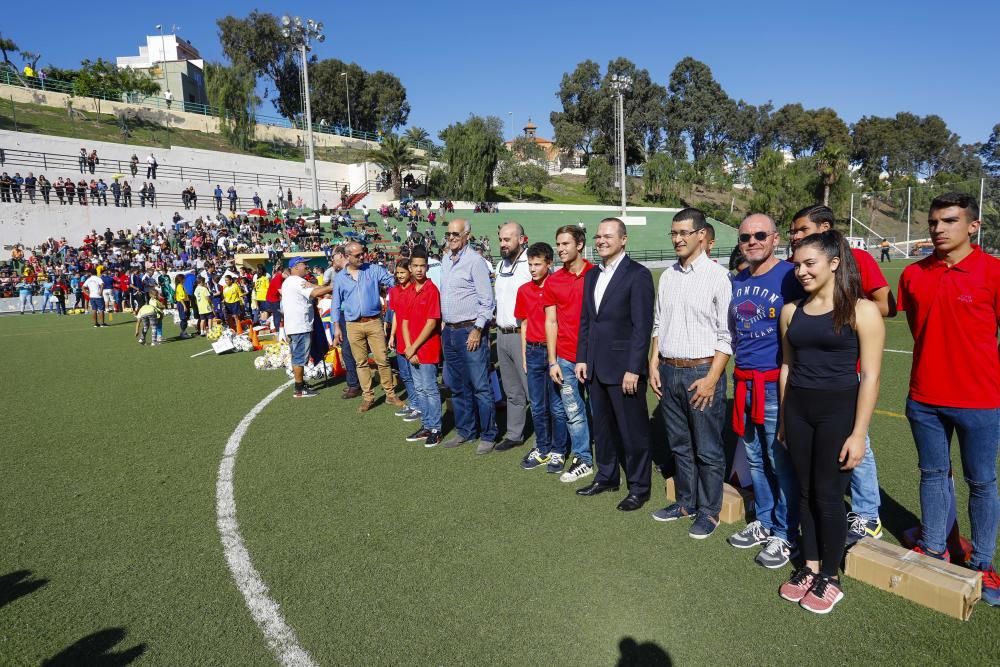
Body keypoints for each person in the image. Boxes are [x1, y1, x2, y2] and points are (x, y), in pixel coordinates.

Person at [897, 191, 1000, 606]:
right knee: (933, 475)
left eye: (950, 221)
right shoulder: (913, 275)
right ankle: (935, 547)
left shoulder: (993, 271)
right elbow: (912, 324)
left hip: (980, 401)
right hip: (923, 399)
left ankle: (982, 564)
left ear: (973, 226)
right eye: (934, 222)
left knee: (982, 482)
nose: (938, 229)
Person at [777, 229, 883, 614]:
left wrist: (859, 433)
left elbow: (870, 376)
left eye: (810, 263)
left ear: (834, 263)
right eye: (797, 263)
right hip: (798, 410)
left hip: (838, 411)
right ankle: (810, 566)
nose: (801, 271)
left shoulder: (862, 309)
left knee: (828, 494)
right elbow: (787, 367)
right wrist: (784, 421)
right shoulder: (791, 311)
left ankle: (831, 578)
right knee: (804, 492)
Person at [789, 205, 894, 543]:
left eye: (802, 230)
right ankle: (815, 547)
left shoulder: (858, 263)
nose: (796, 238)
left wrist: (846, 314)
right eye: (793, 233)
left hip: (845, 378)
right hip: (809, 386)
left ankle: (866, 514)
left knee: (854, 450)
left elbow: (884, 304)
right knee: (817, 478)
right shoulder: (800, 274)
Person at [648, 208, 732, 535]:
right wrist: (654, 362)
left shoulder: (718, 276)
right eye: (673, 233)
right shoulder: (667, 276)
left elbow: (727, 335)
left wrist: (712, 378)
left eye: (684, 232)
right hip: (669, 371)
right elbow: (659, 323)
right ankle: (685, 501)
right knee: (680, 444)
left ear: (701, 235)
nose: (678, 239)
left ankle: (709, 511)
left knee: (708, 447)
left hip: (702, 372)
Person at [726, 213, 803, 568]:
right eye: (745, 237)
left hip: (776, 384)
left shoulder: (790, 276)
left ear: (775, 238)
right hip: (744, 381)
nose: (752, 241)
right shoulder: (737, 280)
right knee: (756, 458)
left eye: (759, 235)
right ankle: (766, 520)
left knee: (780, 461)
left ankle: (786, 533)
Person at [575, 218, 654, 512]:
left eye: (608, 235)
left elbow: (641, 327)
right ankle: (607, 476)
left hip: (624, 370)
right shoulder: (592, 276)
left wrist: (634, 368)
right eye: (598, 236)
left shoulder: (638, 275)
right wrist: (582, 357)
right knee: (603, 430)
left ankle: (639, 487)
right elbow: (587, 321)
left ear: (624, 240)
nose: (601, 240)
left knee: (633, 432)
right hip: (595, 366)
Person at [438, 219, 498, 452]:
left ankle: (489, 434)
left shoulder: (475, 262)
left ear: (467, 236)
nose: (451, 237)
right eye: (449, 233)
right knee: (458, 385)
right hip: (450, 332)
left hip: (470, 330)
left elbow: (487, 301)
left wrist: (477, 329)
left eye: (456, 233)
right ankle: (465, 431)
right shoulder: (445, 259)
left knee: (480, 386)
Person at [543, 225, 596, 482]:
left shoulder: (596, 275)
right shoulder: (553, 280)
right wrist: (552, 361)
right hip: (564, 357)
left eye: (566, 244)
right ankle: (583, 458)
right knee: (573, 411)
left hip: (595, 357)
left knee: (599, 411)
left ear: (580, 244)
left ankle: (609, 456)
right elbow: (550, 322)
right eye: (558, 244)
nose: (561, 249)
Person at [330, 242, 404, 413]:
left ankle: (390, 395)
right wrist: (336, 327)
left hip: (374, 321)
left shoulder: (373, 269)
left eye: (363, 253)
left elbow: (391, 281)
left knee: (383, 360)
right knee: (361, 362)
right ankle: (368, 397)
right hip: (353, 325)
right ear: (347, 256)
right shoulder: (340, 277)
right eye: (358, 255)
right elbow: (335, 303)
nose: (362, 256)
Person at [515, 241, 569, 472]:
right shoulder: (524, 290)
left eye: (538, 264)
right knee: (537, 405)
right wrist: (525, 355)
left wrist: (556, 356)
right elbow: (524, 325)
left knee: (557, 406)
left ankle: (559, 451)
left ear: (550, 263)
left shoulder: (557, 287)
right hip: (533, 352)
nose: (533, 268)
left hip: (555, 352)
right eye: (530, 264)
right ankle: (543, 448)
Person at [493, 222, 532, 451]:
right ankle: (515, 434)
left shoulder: (531, 264)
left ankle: (545, 439)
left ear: (521, 239)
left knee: (532, 390)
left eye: (508, 239)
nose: (503, 244)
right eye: (501, 239)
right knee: (512, 391)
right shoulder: (500, 265)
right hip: (502, 334)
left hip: (523, 335)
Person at [282, 257, 334, 398]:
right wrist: (335, 286)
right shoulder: (296, 281)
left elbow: (314, 287)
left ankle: (301, 384)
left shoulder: (291, 281)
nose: (307, 267)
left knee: (298, 355)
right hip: (300, 325)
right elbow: (315, 293)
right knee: (300, 357)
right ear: (296, 266)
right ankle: (299, 388)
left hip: (295, 325)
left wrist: (326, 288)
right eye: (304, 264)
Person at [388, 259, 420, 421]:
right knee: (405, 375)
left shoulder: (416, 289)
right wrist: (392, 335)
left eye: (403, 272)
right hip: (400, 338)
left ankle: (420, 406)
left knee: (416, 375)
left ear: (410, 272)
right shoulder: (393, 291)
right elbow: (395, 315)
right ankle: (414, 404)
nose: (400, 275)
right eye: (398, 273)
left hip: (412, 337)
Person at [174, 273, 191, 339]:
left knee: (186, 318)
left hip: (185, 302)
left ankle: (184, 332)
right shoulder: (179, 286)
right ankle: (182, 332)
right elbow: (181, 298)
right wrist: (184, 306)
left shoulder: (181, 285)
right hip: (182, 303)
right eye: (184, 279)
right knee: (183, 318)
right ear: (181, 279)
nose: (185, 280)